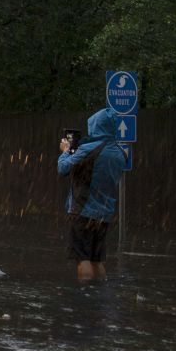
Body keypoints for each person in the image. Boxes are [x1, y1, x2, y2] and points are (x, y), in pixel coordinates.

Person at [57, 107, 127, 282]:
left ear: (96, 126)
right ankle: (101, 295)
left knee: (83, 259)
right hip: (104, 215)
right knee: (97, 259)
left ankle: (85, 299)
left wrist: (65, 151)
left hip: (83, 211)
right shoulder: (119, 152)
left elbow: (63, 168)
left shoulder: (89, 149)